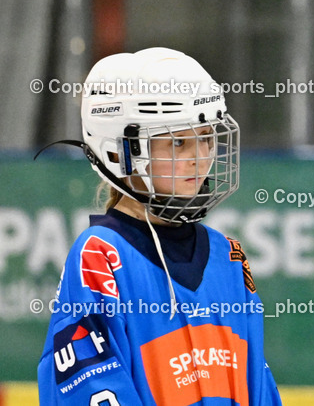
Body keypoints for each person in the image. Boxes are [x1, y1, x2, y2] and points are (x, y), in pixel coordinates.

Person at [38, 47, 281, 406]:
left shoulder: (228, 256)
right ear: (121, 150)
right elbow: (90, 386)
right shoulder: (100, 256)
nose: (200, 157)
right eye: (179, 141)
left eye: (208, 137)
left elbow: (256, 387)